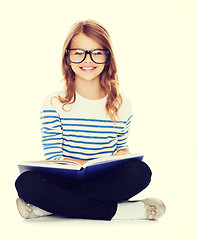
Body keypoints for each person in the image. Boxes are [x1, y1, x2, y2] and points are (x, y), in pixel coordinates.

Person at [15, 19, 166, 221]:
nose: (88, 60)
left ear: (107, 57)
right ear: (68, 58)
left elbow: (120, 147)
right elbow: (54, 157)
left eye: (97, 52)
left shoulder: (122, 104)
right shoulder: (53, 102)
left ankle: (48, 208)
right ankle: (123, 212)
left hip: (102, 181)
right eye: (78, 52)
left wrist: (123, 154)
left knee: (140, 172)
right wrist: (78, 165)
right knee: (26, 182)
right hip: (64, 179)